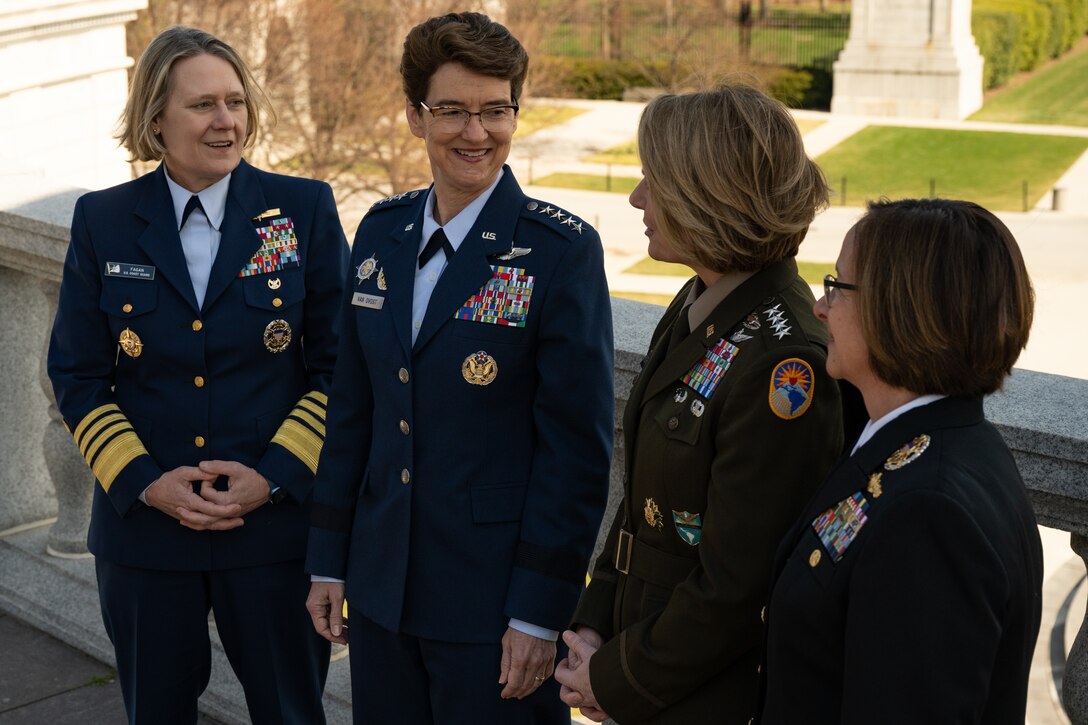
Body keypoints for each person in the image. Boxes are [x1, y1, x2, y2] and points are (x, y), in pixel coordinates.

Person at [303, 12, 614, 724]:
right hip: (380, 597)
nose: (477, 133)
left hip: (494, 612)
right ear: (415, 117)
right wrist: (329, 559)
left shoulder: (560, 253)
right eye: (453, 111)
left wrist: (538, 614)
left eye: (495, 110)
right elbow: (354, 408)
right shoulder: (381, 229)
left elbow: (575, 452)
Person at [47, 25, 348, 724]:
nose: (227, 121)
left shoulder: (301, 210)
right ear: (156, 117)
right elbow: (78, 372)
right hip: (145, 533)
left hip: (273, 530)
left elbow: (341, 370)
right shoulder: (105, 220)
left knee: (291, 711)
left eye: (235, 101)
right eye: (203, 105)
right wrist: (145, 481)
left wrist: (272, 475)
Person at [554, 85, 844, 723]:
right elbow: (641, 508)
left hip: (707, 696)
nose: (636, 198)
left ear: (708, 197)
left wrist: (621, 677)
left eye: (653, 181)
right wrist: (594, 629)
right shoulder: (700, 302)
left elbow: (737, 586)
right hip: (649, 666)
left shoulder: (784, 361)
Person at [756, 197, 1043, 723]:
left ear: (897, 310)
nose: (820, 309)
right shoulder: (940, 441)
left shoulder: (928, 516)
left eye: (836, 287)